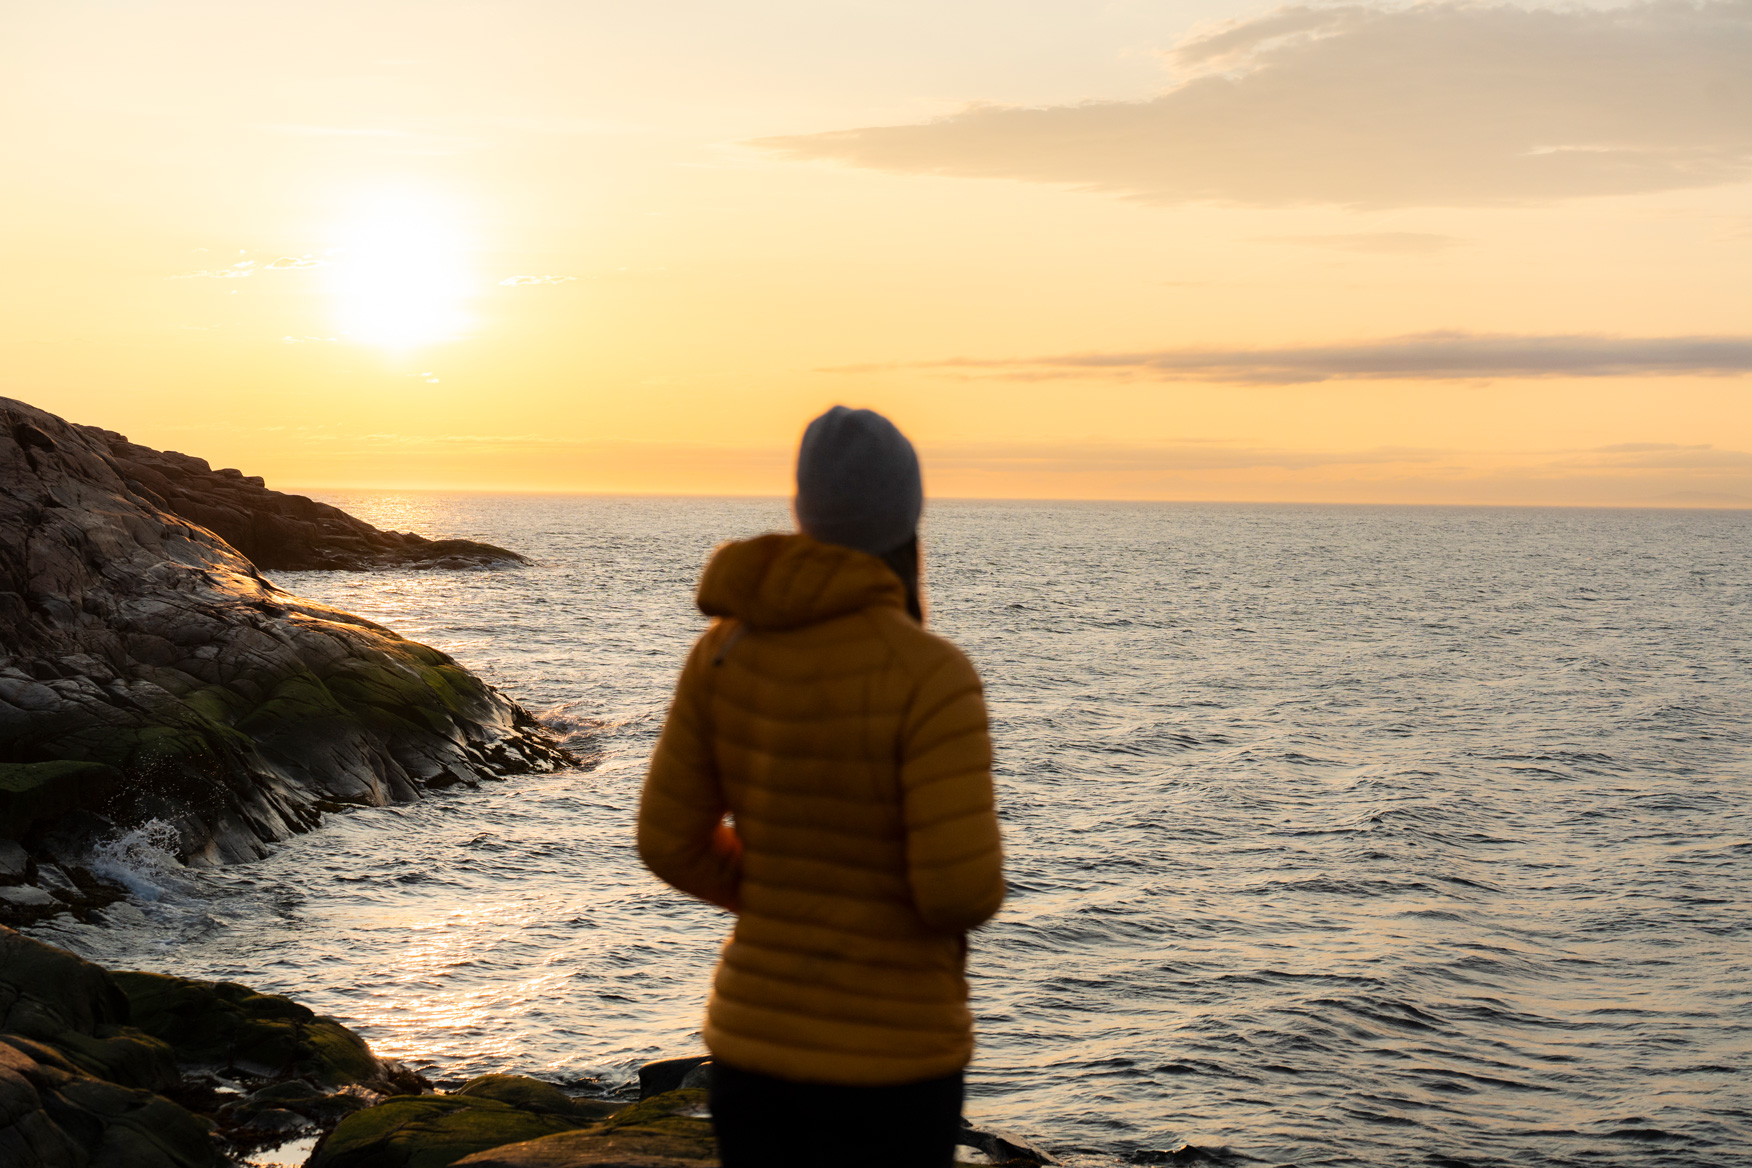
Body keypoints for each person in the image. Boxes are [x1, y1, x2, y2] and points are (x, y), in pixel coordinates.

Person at [637, 405, 1006, 1168]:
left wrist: (780, 894)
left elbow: (667, 841)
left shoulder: (723, 651)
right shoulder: (930, 675)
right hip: (896, 1062)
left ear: (805, 508)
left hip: (753, 1049)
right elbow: (959, 893)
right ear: (909, 517)